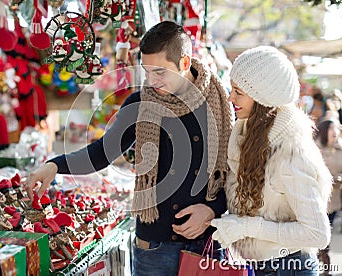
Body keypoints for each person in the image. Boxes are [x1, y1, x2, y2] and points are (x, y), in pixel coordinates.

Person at [25, 21, 233, 275]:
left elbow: (236, 173)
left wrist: (212, 210)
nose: (151, 80)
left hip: (207, 244)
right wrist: (55, 165)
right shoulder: (139, 104)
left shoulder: (221, 105)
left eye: (159, 72)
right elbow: (102, 152)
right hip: (153, 248)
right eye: (146, 71)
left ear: (185, 63)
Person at [211, 46, 332, 275]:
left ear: (261, 99)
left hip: (290, 267)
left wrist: (246, 227)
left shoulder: (290, 153)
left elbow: (318, 234)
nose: (230, 97)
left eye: (238, 91)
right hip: (261, 266)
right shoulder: (245, 136)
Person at [315, 118, 342, 275]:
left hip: (335, 201)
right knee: (321, 234)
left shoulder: (340, 150)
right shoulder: (314, 150)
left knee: (329, 235)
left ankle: (325, 264)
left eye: (337, 129)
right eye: (332, 129)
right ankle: (325, 263)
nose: (335, 132)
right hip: (318, 201)